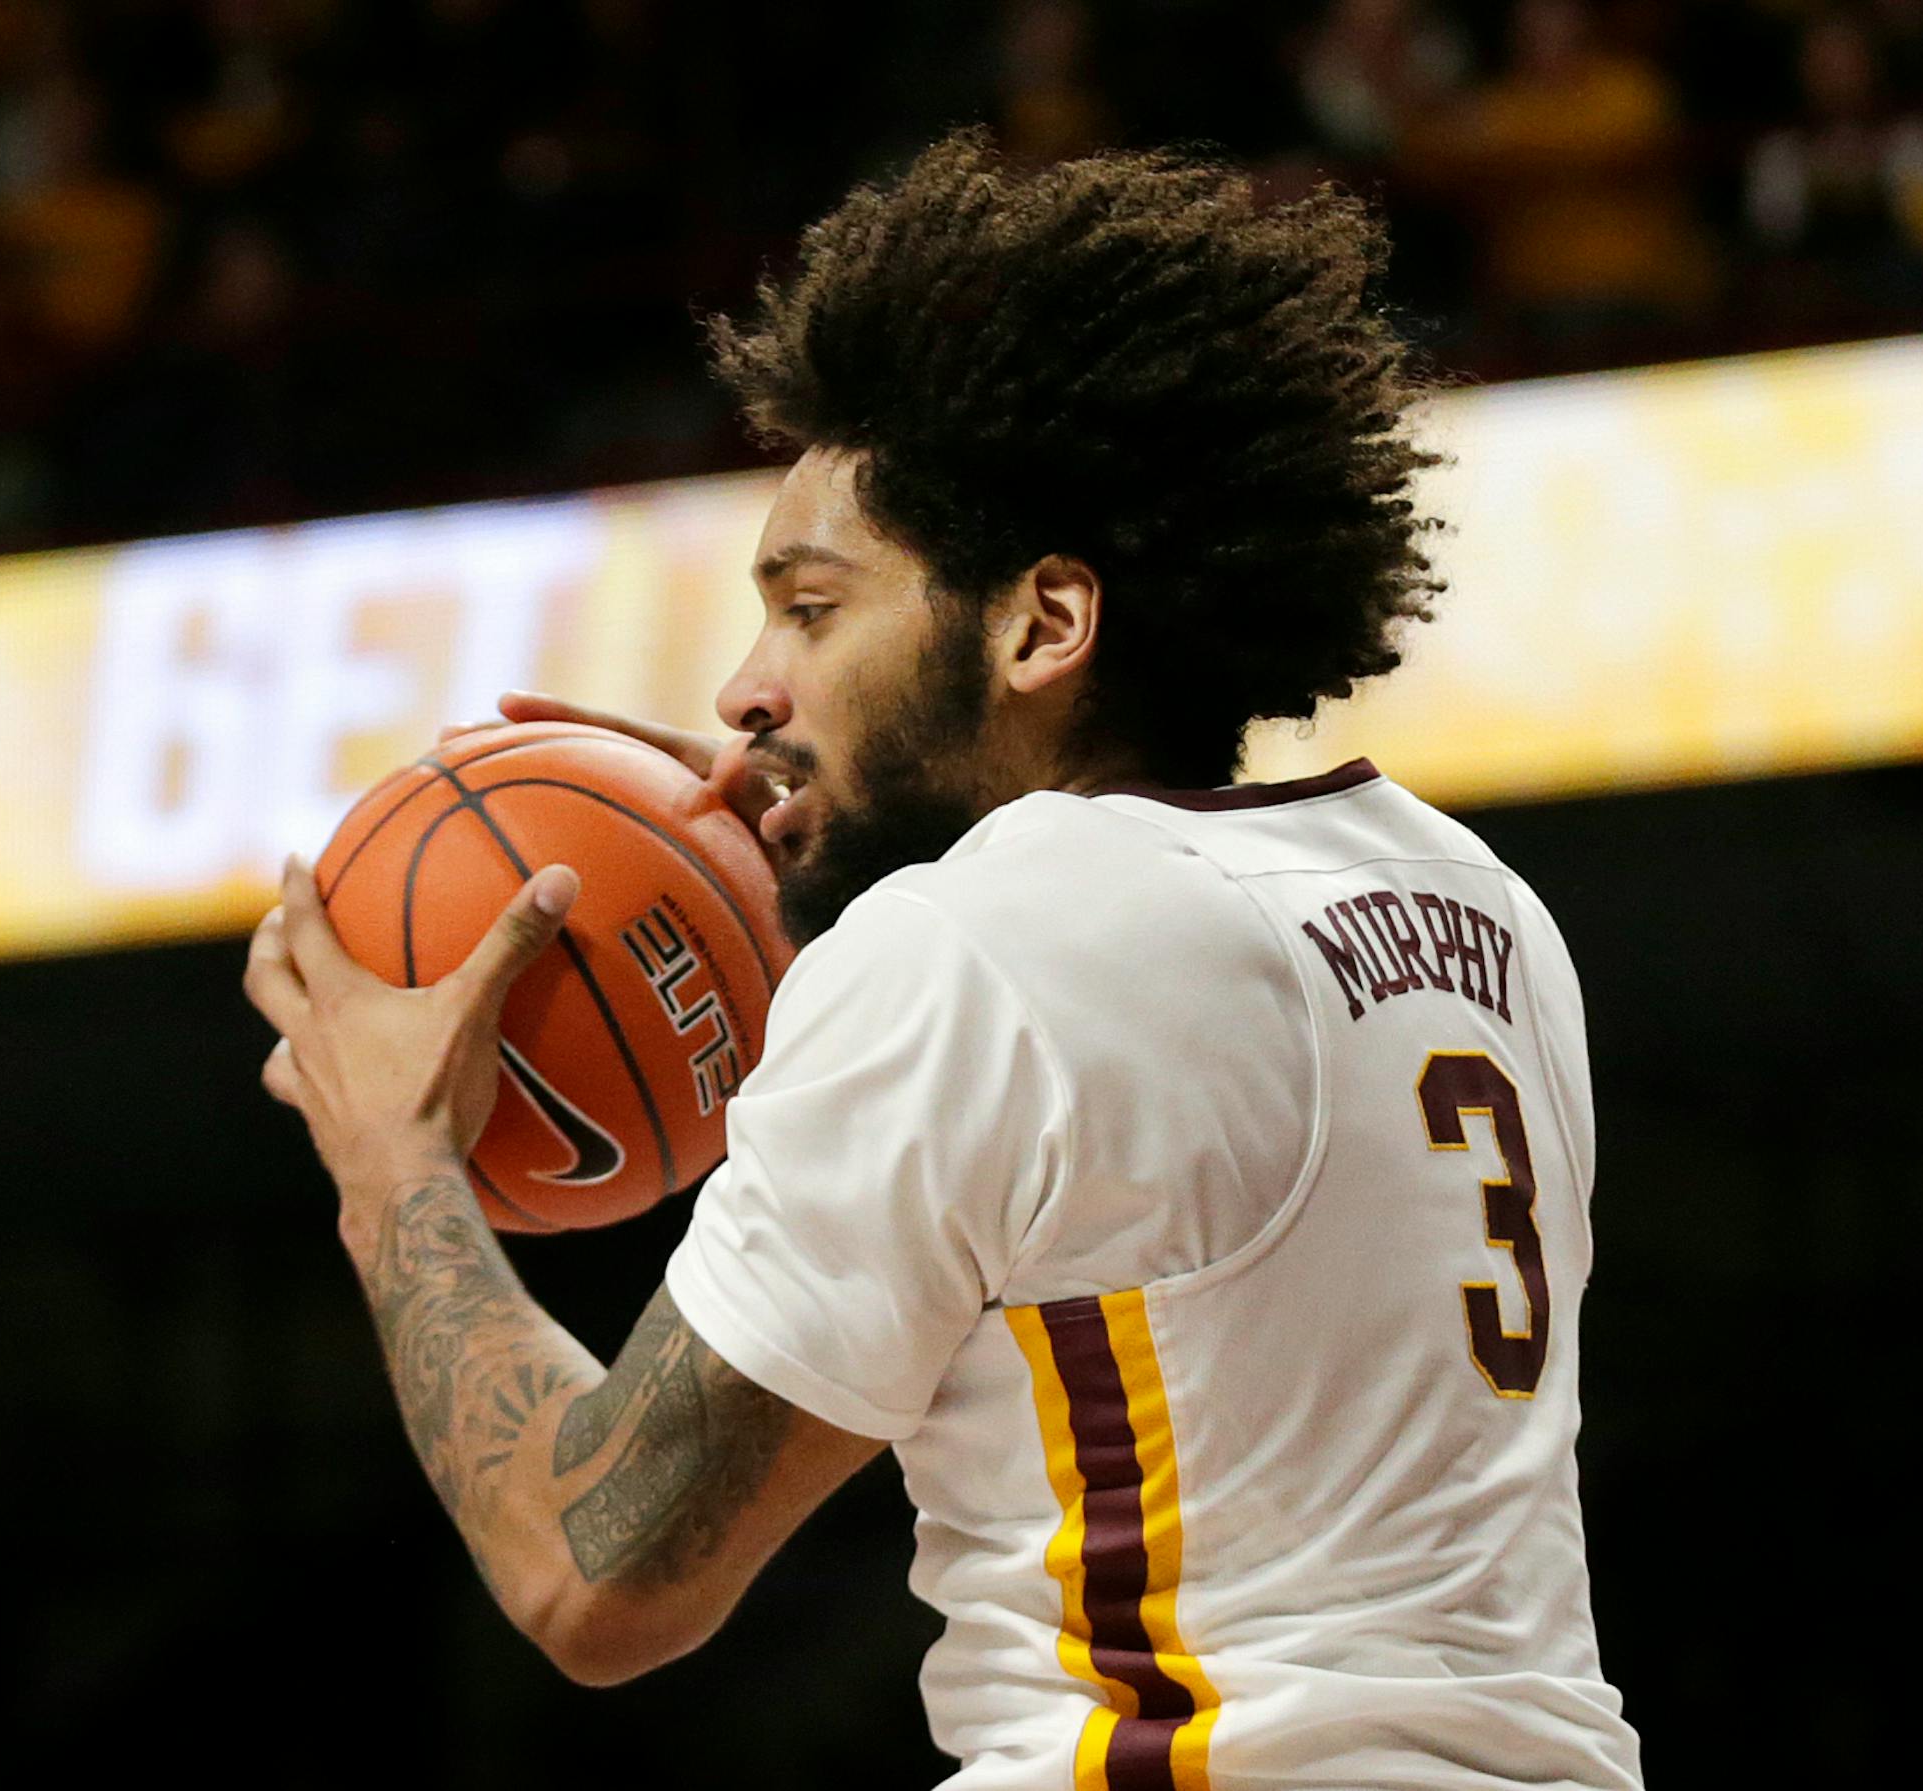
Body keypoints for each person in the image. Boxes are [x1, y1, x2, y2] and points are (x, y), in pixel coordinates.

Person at [242, 133, 1643, 1790]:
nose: (749, 689)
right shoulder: (1470, 900)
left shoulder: (986, 945)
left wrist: (391, 1163)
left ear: (1045, 623)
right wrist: (777, 845)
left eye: (813, 610)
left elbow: (591, 1571)